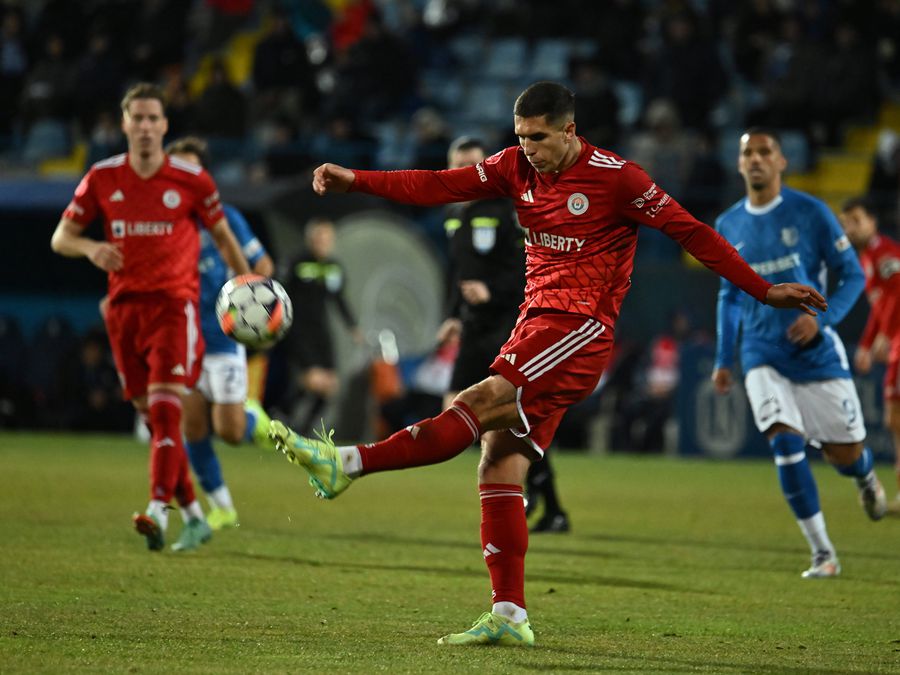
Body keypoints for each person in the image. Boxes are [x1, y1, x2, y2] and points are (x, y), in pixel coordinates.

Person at [272, 82, 827, 647]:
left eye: (538, 137)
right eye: (520, 137)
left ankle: (347, 463)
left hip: (579, 328)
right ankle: (510, 613)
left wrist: (762, 290)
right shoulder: (515, 168)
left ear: (569, 131)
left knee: (475, 402)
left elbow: (693, 232)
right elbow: (440, 185)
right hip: (536, 323)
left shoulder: (619, 178)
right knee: (499, 465)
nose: (528, 147)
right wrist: (356, 180)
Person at [50, 83, 251, 552]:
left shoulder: (191, 180)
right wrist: (91, 247)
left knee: (164, 413)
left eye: (152, 119)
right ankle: (197, 516)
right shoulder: (101, 177)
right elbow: (61, 237)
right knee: (155, 417)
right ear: (123, 123)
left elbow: (223, 238)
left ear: (164, 125)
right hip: (124, 312)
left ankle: (159, 510)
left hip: (173, 308)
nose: (144, 127)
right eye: (135, 118)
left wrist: (246, 287)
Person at [712, 128, 888, 580]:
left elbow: (851, 276)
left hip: (816, 354)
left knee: (845, 457)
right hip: (761, 352)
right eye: (747, 152)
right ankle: (822, 553)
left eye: (764, 152)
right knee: (785, 443)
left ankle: (866, 478)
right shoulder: (728, 225)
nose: (755, 159)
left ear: (782, 161)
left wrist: (821, 321)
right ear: (738, 164)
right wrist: (723, 358)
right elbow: (730, 296)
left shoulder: (811, 213)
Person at [437, 135, 569, 534]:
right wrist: (453, 315)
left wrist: (492, 292)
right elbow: (458, 274)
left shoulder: (507, 211)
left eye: (473, 165)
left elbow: (526, 268)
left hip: (504, 325)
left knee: (506, 419)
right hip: (473, 326)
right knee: (458, 415)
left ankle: (535, 503)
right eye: (460, 166)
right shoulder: (456, 216)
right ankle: (538, 503)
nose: (467, 173)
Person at [165, 136, 276, 531]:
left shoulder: (224, 218)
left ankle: (255, 420)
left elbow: (262, 264)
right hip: (181, 342)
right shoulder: (163, 225)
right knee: (192, 426)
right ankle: (223, 506)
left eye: (191, 171)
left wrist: (252, 303)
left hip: (223, 341)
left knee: (229, 431)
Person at [839, 196, 900, 510]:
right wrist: (867, 343)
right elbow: (880, 307)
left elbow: (897, 293)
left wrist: (886, 338)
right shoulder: (864, 258)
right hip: (895, 343)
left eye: (856, 220)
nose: (850, 228)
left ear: (873, 222)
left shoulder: (886, 252)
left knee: (896, 416)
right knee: (894, 418)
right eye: (846, 222)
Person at [279, 217, 362, 434]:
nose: (322, 242)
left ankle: (301, 429)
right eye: (318, 237)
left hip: (322, 332)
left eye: (326, 238)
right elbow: (281, 296)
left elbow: (339, 299)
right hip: (298, 330)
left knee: (330, 387)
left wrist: (352, 326)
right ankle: (281, 411)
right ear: (310, 239)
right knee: (314, 381)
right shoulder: (296, 263)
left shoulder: (334, 268)